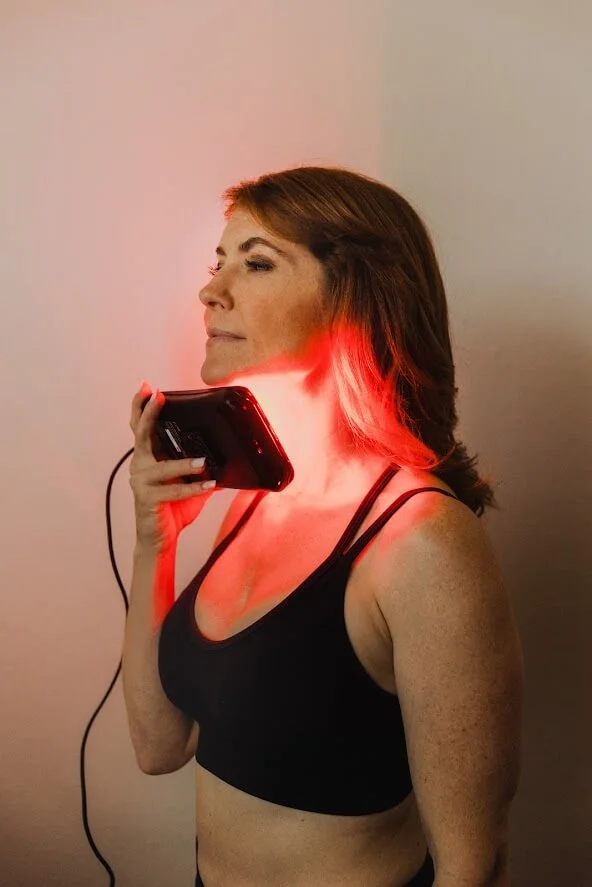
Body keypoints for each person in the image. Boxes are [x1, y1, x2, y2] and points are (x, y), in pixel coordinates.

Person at [122, 165, 523, 887]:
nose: (212, 290)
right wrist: (157, 538)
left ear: (355, 299)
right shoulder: (252, 498)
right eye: (219, 263)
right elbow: (159, 744)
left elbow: (474, 861)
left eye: (257, 262)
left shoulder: (424, 541)